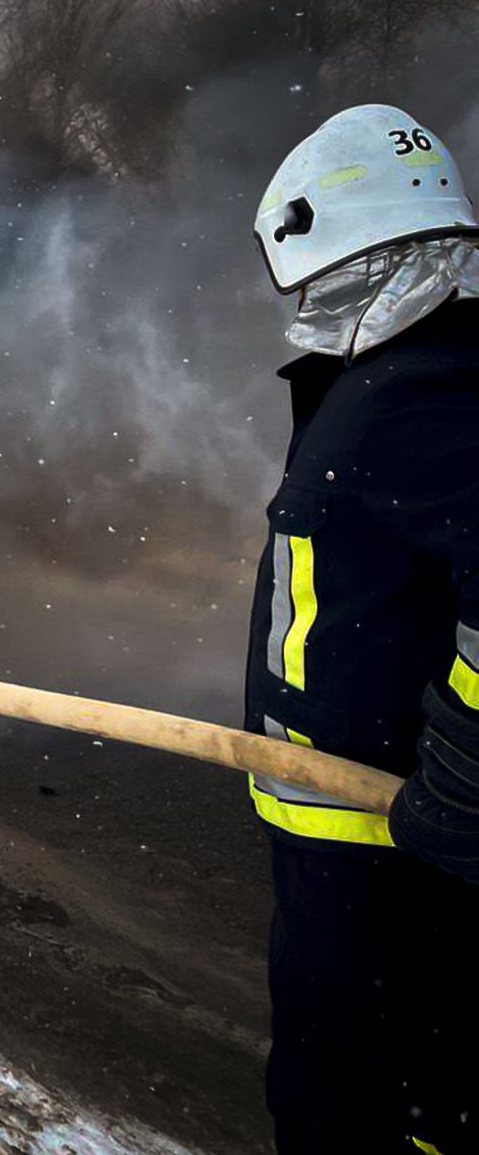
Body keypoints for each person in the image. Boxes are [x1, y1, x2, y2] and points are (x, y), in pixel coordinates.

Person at [247, 104, 479, 1154]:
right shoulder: (398, 379)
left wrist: (465, 776)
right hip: (352, 831)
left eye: (317, 277)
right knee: (393, 1075)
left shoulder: (422, 388)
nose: (305, 304)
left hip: (381, 834)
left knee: (353, 1095)